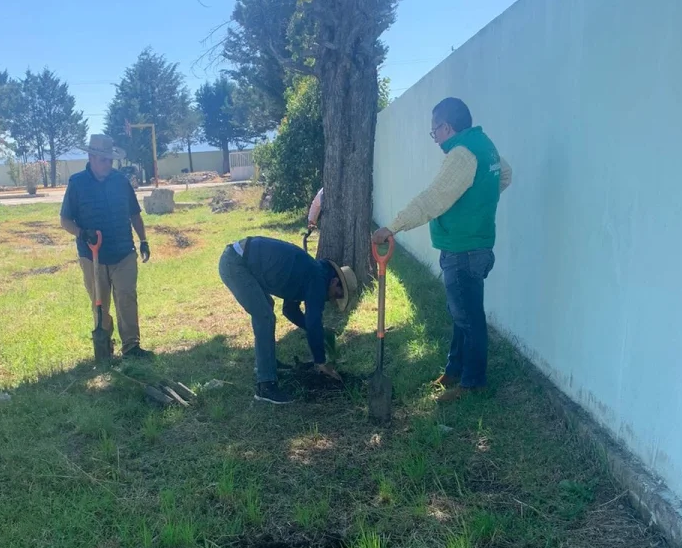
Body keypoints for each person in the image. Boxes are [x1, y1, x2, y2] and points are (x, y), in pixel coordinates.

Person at [373, 98, 512, 400]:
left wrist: (392, 227)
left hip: (463, 249)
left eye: (434, 131)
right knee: (462, 312)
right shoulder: (483, 144)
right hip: (479, 244)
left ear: (446, 127)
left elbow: (433, 199)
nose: (434, 137)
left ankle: (473, 383)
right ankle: (454, 371)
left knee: (469, 318)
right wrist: (478, 200)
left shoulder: (461, 155)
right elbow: (505, 175)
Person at [219, 236, 358, 404]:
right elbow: (313, 321)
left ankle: (267, 363)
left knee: (266, 309)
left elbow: (289, 310)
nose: (333, 300)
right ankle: (265, 386)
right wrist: (321, 362)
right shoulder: (318, 279)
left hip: (239, 258)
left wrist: (319, 332)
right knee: (264, 317)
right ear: (335, 281)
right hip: (236, 264)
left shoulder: (310, 272)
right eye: (337, 294)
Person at [60, 134, 152, 359]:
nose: (108, 164)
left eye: (110, 160)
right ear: (91, 157)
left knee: (127, 297)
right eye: (103, 160)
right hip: (92, 256)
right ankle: (104, 346)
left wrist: (144, 240)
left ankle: (131, 346)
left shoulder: (121, 181)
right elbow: (65, 220)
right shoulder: (77, 183)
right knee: (100, 303)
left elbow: (134, 214)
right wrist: (82, 233)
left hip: (123, 252)